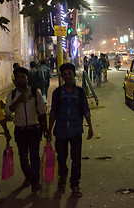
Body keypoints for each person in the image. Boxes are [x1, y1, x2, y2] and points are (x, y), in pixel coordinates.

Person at [47, 63, 93, 198]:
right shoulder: (57, 93)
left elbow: (86, 110)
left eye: (70, 73)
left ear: (74, 75)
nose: (67, 76)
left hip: (76, 131)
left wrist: (90, 127)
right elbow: (53, 112)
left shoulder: (79, 92)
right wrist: (49, 130)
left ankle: (75, 185)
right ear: (61, 76)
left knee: (76, 159)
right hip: (60, 131)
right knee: (61, 158)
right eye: (65, 74)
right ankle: (63, 174)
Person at [5, 67, 47, 193]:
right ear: (15, 80)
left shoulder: (35, 93)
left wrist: (45, 128)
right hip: (20, 130)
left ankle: (35, 181)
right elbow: (8, 111)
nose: (20, 79)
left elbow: (42, 111)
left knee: (34, 156)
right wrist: (18, 101)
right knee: (23, 156)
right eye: (18, 77)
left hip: (34, 129)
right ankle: (28, 177)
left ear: (27, 78)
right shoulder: (12, 95)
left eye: (23, 76)